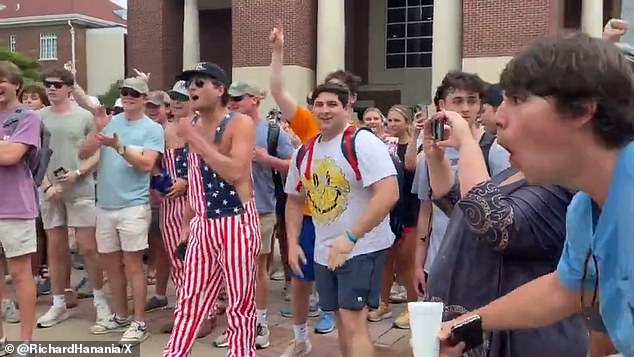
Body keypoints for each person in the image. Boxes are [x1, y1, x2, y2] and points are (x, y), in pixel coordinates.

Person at [438, 33, 634, 357]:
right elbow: (563, 290)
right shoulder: (585, 209)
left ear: (583, 107)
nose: (498, 117)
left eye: (516, 99)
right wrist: (468, 326)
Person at [285, 82, 399, 356]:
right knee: (340, 318)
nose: (325, 110)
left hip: (362, 248)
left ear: (347, 108)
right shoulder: (304, 152)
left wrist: (351, 237)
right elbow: (294, 199)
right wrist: (292, 243)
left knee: (352, 321)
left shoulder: (361, 142)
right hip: (326, 250)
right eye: (319, 104)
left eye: (332, 104)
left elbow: (388, 193)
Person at [163, 62, 260, 357]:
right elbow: (195, 180)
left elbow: (235, 172)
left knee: (240, 302)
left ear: (219, 89)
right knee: (190, 299)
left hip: (237, 222)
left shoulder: (239, 123)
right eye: (190, 83)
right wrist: (186, 227)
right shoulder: (189, 126)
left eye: (200, 82)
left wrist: (194, 140)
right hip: (203, 224)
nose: (192, 88)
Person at [79, 74, 164, 344]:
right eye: (125, 92)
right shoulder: (112, 121)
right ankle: (120, 315)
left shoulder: (153, 129)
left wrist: (119, 146)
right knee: (111, 265)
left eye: (134, 93)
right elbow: (83, 153)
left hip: (134, 207)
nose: (128, 96)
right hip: (105, 205)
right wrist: (98, 128)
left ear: (144, 99)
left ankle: (139, 322)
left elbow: (147, 164)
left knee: (133, 265)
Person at [211, 81, 294, 350]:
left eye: (238, 97)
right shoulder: (221, 126)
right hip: (225, 210)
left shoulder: (271, 131)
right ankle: (236, 326)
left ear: (255, 100)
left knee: (258, 271)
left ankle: (259, 324)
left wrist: (267, 159)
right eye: (230, 97)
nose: (232, 102)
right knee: (229, 272)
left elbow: (294, 166)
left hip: (260, 210)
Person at [36, 67, 109, 329]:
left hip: (80, 188)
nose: (52, 88)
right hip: (50, 192)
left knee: (88, 247)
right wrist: (46, 187)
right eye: (48, 84)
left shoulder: (85, 117)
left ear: (69, 88)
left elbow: (99, 152)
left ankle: (101, 301)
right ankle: (58, 303)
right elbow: (34, 156)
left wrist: (80, 172)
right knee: (55, 249)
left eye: (57, 84)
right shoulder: (38, 117)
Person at [0, 60, 40, 353]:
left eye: (2, 80)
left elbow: (12, 155)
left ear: (16, 85)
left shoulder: (28, 117)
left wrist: (8, 147)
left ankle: (26, 341)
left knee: (20, 273)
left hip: (15, 206)